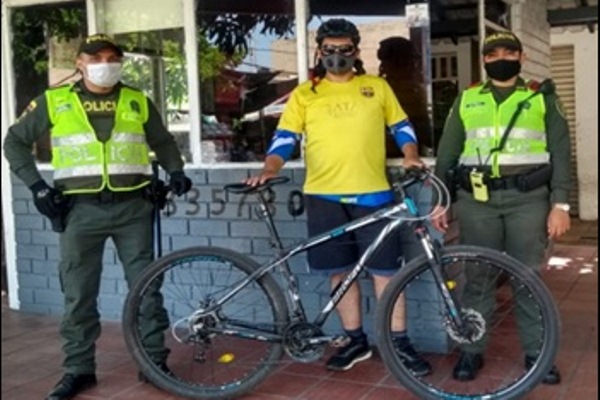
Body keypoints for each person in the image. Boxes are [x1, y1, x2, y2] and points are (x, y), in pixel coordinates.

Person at [3, 33, 192, 400]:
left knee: (146, 290)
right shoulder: (54, 100)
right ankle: (79, 369)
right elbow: (13, 141)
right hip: (79, 211)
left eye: (112, 58)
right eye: (95, 58)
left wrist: (177, 170)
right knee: (78, 293)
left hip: (133, 208)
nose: (105, 64)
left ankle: (153, 362)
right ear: (79, 63)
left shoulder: (137, 100)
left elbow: (162, 141)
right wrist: (37, 187)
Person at [245, 19, 431, 375]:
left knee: (387, 274)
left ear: (356, 51)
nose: (337, 55)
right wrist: (270, 167)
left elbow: (401, 126)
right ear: (319, 52)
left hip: (374, 194)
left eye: (344, 49)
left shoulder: (376, 87)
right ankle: (354, 340)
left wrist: (410, 153)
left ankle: (399, 344)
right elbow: (285, 137)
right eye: (329, 49)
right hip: (323, 197)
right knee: (340, 273)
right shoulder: (305, 94)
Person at [431, 31, 570, 385]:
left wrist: (561, 203)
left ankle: (537, 353)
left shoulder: (541, 97)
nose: (501, 58)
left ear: (522, 58)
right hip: (477, 202)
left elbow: (561, 153)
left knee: (528, 277)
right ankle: (471, 350)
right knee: (479, 277)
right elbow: (447, 154)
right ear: (484, 60)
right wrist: (440, 200)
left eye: (509, 52)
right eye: (493, 54)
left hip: (529, 200)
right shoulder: (467, 99)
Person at [377, 36, 432, 156]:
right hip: (396, 154)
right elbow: (424, 133)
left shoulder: (413, 88)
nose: (415, 65)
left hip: (408, 154)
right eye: (412, 60)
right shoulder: (385, 89)